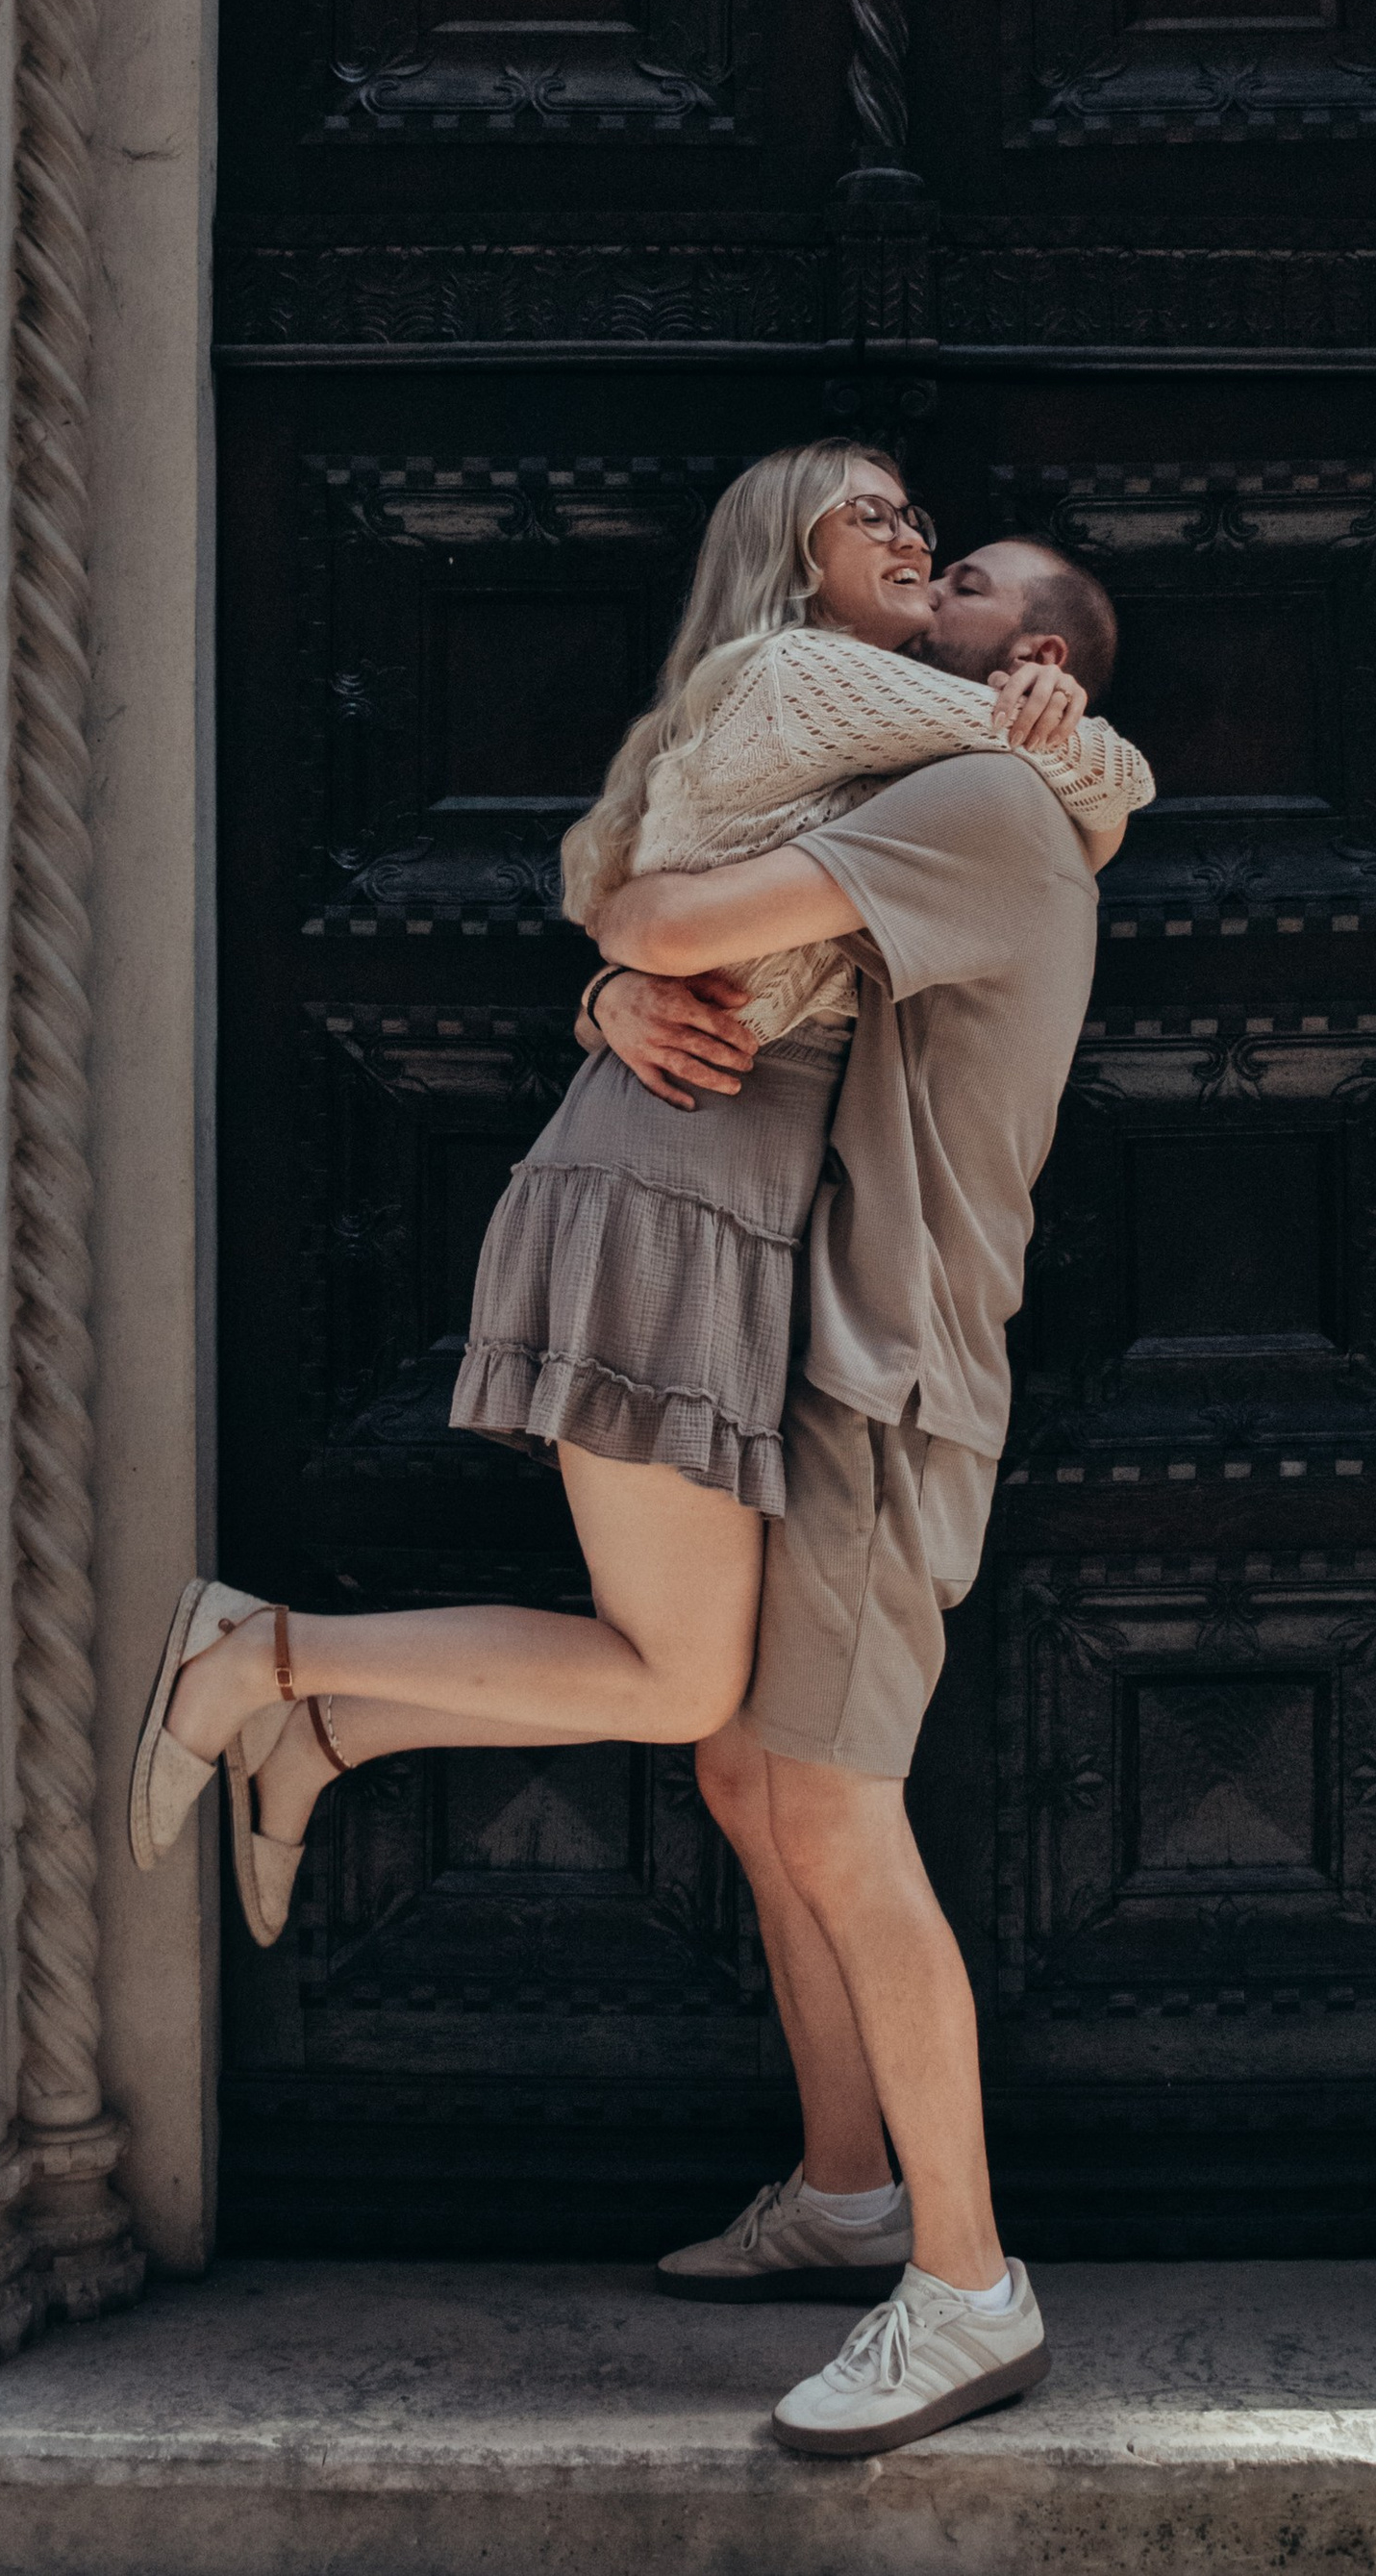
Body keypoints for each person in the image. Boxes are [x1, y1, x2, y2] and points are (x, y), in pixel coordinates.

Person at [126, 448, 1149, 1959]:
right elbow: (1097, 783)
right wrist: (1082, 740)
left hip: (723, 1190)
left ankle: (326, 1729)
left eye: (920, 518)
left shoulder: (880, 758)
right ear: (792, 561)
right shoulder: (811, 678)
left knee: (693, 1680)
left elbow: (672, 897)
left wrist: (615, 976)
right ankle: (253, 1651)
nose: (913, 535)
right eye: (869, 513)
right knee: (681, 1684)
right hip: (682, 1181)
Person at [582, 530, 1131, 2456]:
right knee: (744, 1769)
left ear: (1034, 649)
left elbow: (662, 915)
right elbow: (727, 985)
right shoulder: (957, 783)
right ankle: (842, 2191)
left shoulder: (982, 797)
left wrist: (622, 957)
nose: (924, 577)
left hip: (886, 1382)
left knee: (824, 1792)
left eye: (964, 574)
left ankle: (967, 2287)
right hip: (807, 1343)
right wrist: (608, 1008)